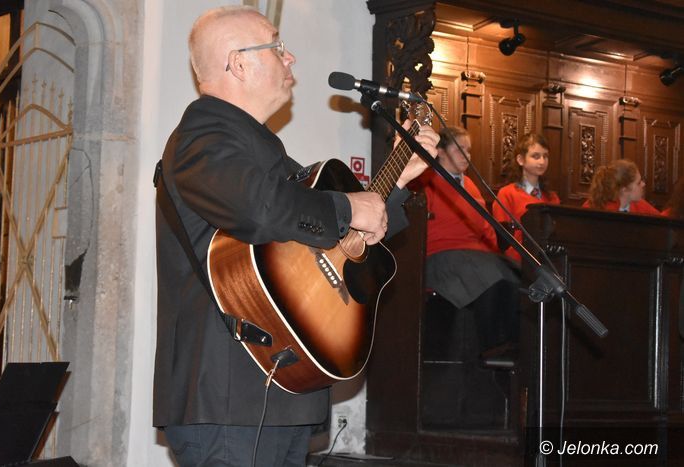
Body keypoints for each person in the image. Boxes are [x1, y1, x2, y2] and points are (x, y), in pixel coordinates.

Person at [153, 6, 439, 467]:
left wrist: (398, 180)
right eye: (277, 46)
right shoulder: (202, 134)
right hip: (230, 395)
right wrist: (348, 207)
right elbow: (261, 208)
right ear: (239, 63)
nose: (291, 58)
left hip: (280, 387)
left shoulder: (261, 149)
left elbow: (333, 239)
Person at [417, 126, 520, 362]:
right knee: (489, 272)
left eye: (469, 150)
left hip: (474, 257)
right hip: (440, 256)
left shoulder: (471, 185)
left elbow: (486, 229)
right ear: (441, 151)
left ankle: (513, 344)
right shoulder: (426, 181)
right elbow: (419, 228)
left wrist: (496, 255)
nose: (467, 155)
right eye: (459, 149)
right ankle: (491, 345)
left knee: (515, 272)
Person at [492, 133, 560, 262]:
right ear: (520, 160)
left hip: (547, 262)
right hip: (516, 263)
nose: (542, 161)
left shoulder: (552, 198)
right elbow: (501, 239)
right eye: (536, 156)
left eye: (545, 156)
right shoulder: (507, 194)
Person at [582, 159, 660, 215]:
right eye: (638, 183)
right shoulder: (594, 209)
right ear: (624, 189)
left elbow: (662, 224)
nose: (643, 184)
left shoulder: (641, 206)